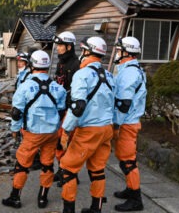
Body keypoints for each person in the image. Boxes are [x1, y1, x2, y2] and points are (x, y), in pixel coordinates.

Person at [2, 50, 67, 209]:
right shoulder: (58, 88)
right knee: (47, 165)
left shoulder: (24, 87)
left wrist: (15, 130)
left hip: (32, 132)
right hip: (51, 133)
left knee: (22, 165)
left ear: (31, 65)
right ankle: (43, 198)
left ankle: (15, 197)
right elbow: (61, 111)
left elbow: (17, 113)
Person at [59, 36, 115, 213]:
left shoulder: (81, 74)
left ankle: (69, 210)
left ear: (86, 51)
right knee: (98, 169)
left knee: (68, 169)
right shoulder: (109, 75)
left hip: (89, 129)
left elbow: (77, 106)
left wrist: (66, 130)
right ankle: (95, 208)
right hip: (107, 128)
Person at [112, 36, 146, 212]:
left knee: (128, 161)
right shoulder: (131, 68)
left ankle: (136, 199)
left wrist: (115, 124)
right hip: (129, 120)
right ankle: (130, 189)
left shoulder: (129, 72)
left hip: (127, 122)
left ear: (126, 51)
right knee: (124, 159)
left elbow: (124, 103)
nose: (117, 52)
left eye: (119, 50)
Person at [51, 31, 80, 184]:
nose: (58, 48)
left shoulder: (76, 64)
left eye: (60, 45)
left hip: (69, 109)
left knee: (67, 142)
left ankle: (71, 173)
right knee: (58, 142)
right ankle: (61, 169)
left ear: (69, 46)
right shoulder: (60, 62)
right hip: (59, 108)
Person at [12, 51, 32, 148]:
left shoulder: (29, 76)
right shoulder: (20, 75)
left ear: (27, 63)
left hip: (25, 108)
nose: (19, 64)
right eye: (18, 62)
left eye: (22, 62)